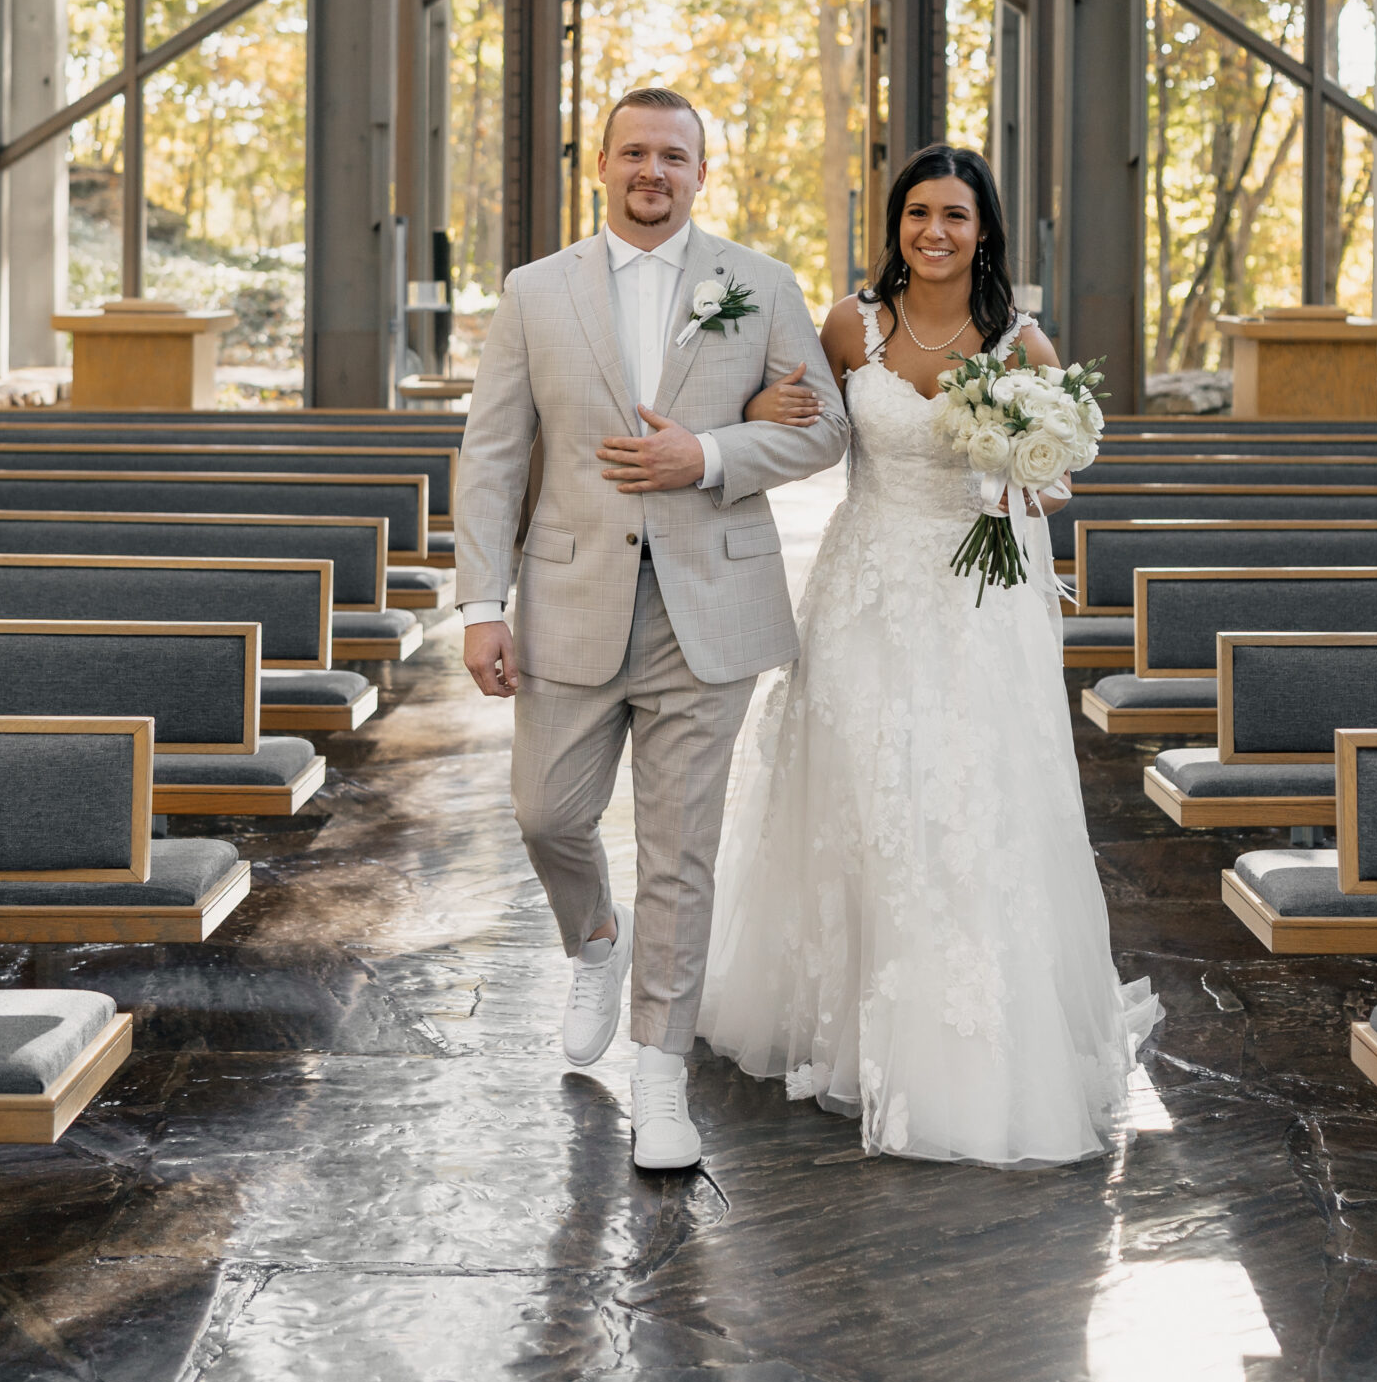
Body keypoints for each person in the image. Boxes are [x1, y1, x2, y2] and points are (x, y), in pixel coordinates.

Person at [699, 143, 1159, 1165]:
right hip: (863, 587)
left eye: (955, 215)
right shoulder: (849, 324)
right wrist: (753, 412)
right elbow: (810, 431)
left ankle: (957, 1045)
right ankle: (845, 1026)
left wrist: (1020, 470)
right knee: (858, 796)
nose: (934, 232)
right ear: (897, 224)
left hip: (975, 601)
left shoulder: (1023, 345)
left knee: (962, 800)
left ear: (984, 228)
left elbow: (1058, 484)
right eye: (917, 214)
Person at [455, 85, 848, 1173]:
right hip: (568, 598)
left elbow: (828, 431)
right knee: (547, 813)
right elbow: (491, 455)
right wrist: (482, 603)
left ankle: (661, 1073)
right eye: (635, 152)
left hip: (708, 606)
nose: (653, 171)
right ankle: (593, 938)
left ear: (701, 171)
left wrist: (710, 456)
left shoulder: (760, 285)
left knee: (682, 850)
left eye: (674, 155)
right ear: (602, 163)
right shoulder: (535, 294)